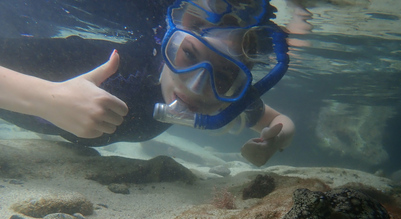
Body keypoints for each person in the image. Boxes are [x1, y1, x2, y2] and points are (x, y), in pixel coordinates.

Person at [0, 0, 295, 167]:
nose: (196, 86)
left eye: (225, 75)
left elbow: (278, 121)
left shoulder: (230, 98)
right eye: (188, 54)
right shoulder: (111, 65)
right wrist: (44, 97)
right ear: (169, 39)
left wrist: (275, 140)